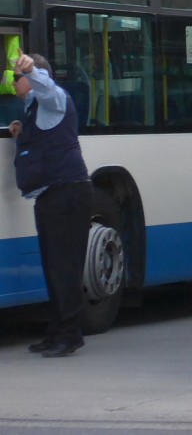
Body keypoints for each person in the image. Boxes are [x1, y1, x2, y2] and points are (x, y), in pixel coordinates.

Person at [7, 52, 93, 358]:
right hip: (51, 194)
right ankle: (56, 331)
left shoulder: (54, 99)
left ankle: (70, 335)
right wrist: (21, 133)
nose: (13, 82)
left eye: (16, 78)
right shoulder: (34, 112)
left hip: (66, 193)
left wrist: (32, 70)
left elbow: (48, 89)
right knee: (53, 266)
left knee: (64, 268)